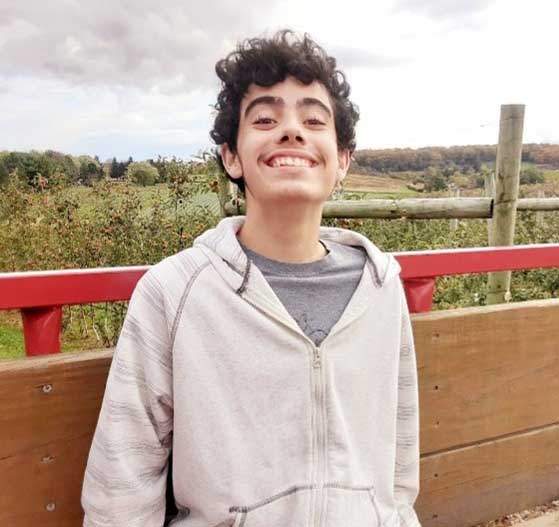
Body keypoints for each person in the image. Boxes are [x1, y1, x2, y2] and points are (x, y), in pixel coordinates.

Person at [81, 29, 422, 527]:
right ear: (232, 157)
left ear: (342, 159)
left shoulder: (381, 288)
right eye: (264, 118)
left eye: (313, 119)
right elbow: (122, 482)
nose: (291, 131)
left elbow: (398, 469)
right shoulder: (173, 293)